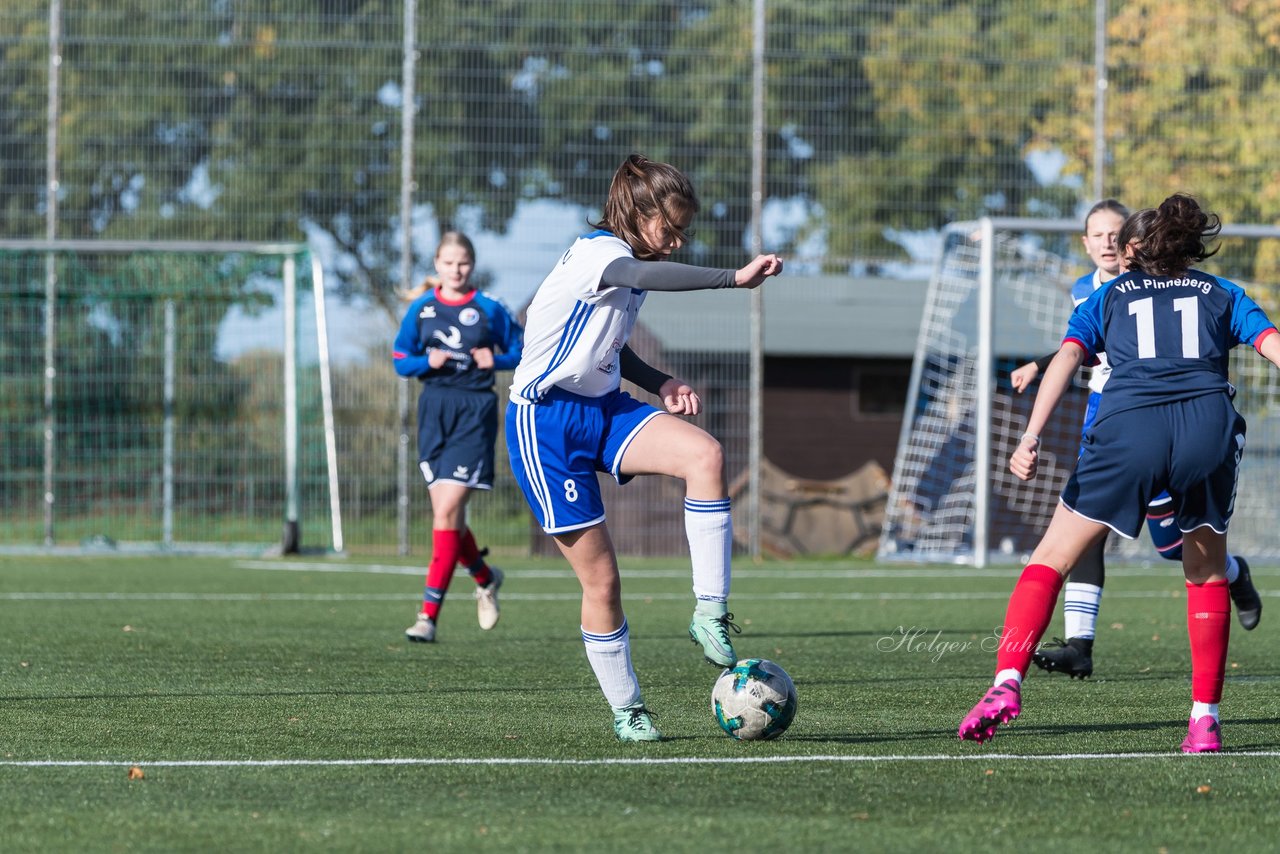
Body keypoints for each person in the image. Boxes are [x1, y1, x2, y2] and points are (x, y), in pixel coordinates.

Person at [959, 194, 1280, 753]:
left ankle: (1006, 682)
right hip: (1205, 427)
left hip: (1129, 427)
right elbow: (1270, 343)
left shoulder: (1109, 294)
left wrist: (1030, 435)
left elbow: (1066, 358)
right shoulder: (1224, 292)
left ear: (1139, 250)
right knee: (1204, 572)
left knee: (1050, 557)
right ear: (1191, 247)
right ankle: (1204, 721)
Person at [505, 154, 783, 742]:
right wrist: (733, 277)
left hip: (605, 409)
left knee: (704, 456)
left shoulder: (628, 265)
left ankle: (710, 613)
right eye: (671, 228)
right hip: (545, 424)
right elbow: (643, 279)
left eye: (683, 231)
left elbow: (612, 344)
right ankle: (628, 708)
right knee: (602, 583)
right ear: (636, 209)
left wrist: (659, 383)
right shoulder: (598, 255)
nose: (676, 242)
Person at [1009, 200, 1262, 679]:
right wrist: (1039, 368)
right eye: (1098, 234)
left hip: (1152, 422)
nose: (1108, 242)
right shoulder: (1093, 292)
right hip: (1119, 421)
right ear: (1087, 244)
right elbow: (1076, 348)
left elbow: (1084, 346)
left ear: (1139, 245)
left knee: (1176, 549)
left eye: (1114, 233)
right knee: (1084, 534)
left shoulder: (1127, 293)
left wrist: (1032, 429)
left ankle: (1235, 574)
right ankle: (1081, 644)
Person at [393, 230, 524, 643]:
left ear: (472, 264)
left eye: (463, 262)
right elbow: (400, 359)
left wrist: (498, 359)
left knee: (446, 512)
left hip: (474, 412)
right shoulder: (422, 310)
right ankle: (485, 577)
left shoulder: (489, 308)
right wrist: (423, 361)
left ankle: (427, 617)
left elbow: (524, 350)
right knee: (447, 517)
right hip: (434, 411)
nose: (456, 269)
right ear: (437, 265)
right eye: (448, 262)